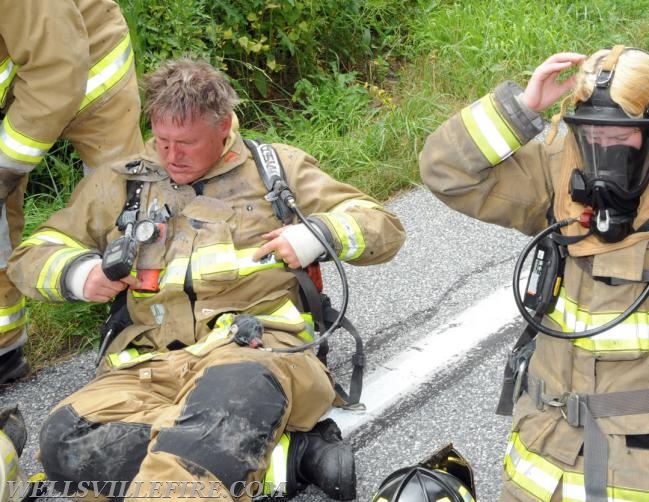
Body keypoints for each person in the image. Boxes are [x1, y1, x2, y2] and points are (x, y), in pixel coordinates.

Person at [7, 57, 406, 500]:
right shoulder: (124, 182)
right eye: (162, 140)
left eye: (187, 143)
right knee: (64, 444)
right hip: (148, 366)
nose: (171, 156)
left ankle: (218, 449)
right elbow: (31, 255)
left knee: (226, 405)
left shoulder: (275, 170)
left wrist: (317, 234)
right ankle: (278, 456)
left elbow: (383, 226)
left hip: (253, 353)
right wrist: (79, 274)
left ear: (223, 127)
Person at [419, 45, 649, 501]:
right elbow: (446, 172)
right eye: (592, 134)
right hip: (547, 460)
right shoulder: (560, 174)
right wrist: (519, 111)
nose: (604, 151)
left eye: (622, 136)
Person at [0, 0, 144, 383]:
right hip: (18, 83)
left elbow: (56, 71)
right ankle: (4, 347)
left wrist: (6, 168)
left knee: (126, 199)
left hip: (89, 72)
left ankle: (145, 313)